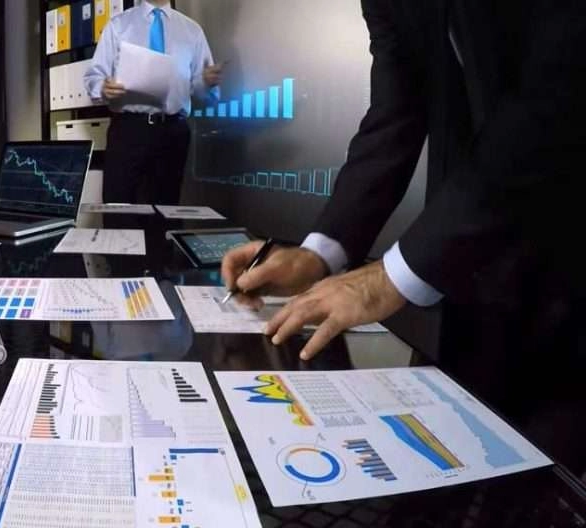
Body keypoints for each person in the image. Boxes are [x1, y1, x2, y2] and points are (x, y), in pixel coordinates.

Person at [221, 0, 584, 471]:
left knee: (547, 479)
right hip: (466, 262)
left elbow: (556, 100)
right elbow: (397, 109)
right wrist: (319, 253)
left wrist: (389, 277)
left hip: (568, 254)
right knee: (455, 468)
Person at [85, 0, 222, 208]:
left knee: (165, 211)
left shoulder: (192, 30)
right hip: (128, 130)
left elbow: (204, 92)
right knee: (119, 209)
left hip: (173, 131)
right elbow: (94, 76)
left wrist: (207, 82)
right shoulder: (118, 24)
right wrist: (102, 87)